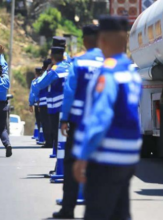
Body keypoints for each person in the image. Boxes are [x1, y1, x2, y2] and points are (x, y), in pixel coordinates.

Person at [72, 16, 142, 220]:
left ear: (101, 41)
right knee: (120, 214)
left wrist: (83, 155)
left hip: (105, 158)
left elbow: (100, 118)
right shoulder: (131, 72)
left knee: (97, 214)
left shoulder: (108, 74)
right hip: (128, 158)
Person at [52, 24, 103, 219]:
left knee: (72, 165)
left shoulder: (79, 63)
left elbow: (69, 92)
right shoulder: (111, 63)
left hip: (79, 124)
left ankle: (68, 210)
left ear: (84, 40)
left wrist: (64, 119)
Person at [32, 46, 72, 154]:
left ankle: (59, 162)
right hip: (70, 105)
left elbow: (40, 84)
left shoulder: (54, 70)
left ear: (52, 57)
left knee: (57, 133)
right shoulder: (71, 67)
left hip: (56, 107)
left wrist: (47, 70)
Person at [37, 59, 52, 148]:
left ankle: (49, 142)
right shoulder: (54, 73)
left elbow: (38, 86)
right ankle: (52, 141)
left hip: (44, 103)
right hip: (52, 102)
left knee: (46, 123)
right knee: (51, 123)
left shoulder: (45, 75)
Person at [29, 67, 43, 142]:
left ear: (36, 73)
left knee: (39, 120)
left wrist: (31, 104)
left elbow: (32, 94)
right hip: (47, 103)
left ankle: (40, 137)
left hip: (38, 104)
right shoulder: (45, 80)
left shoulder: (34, 81)